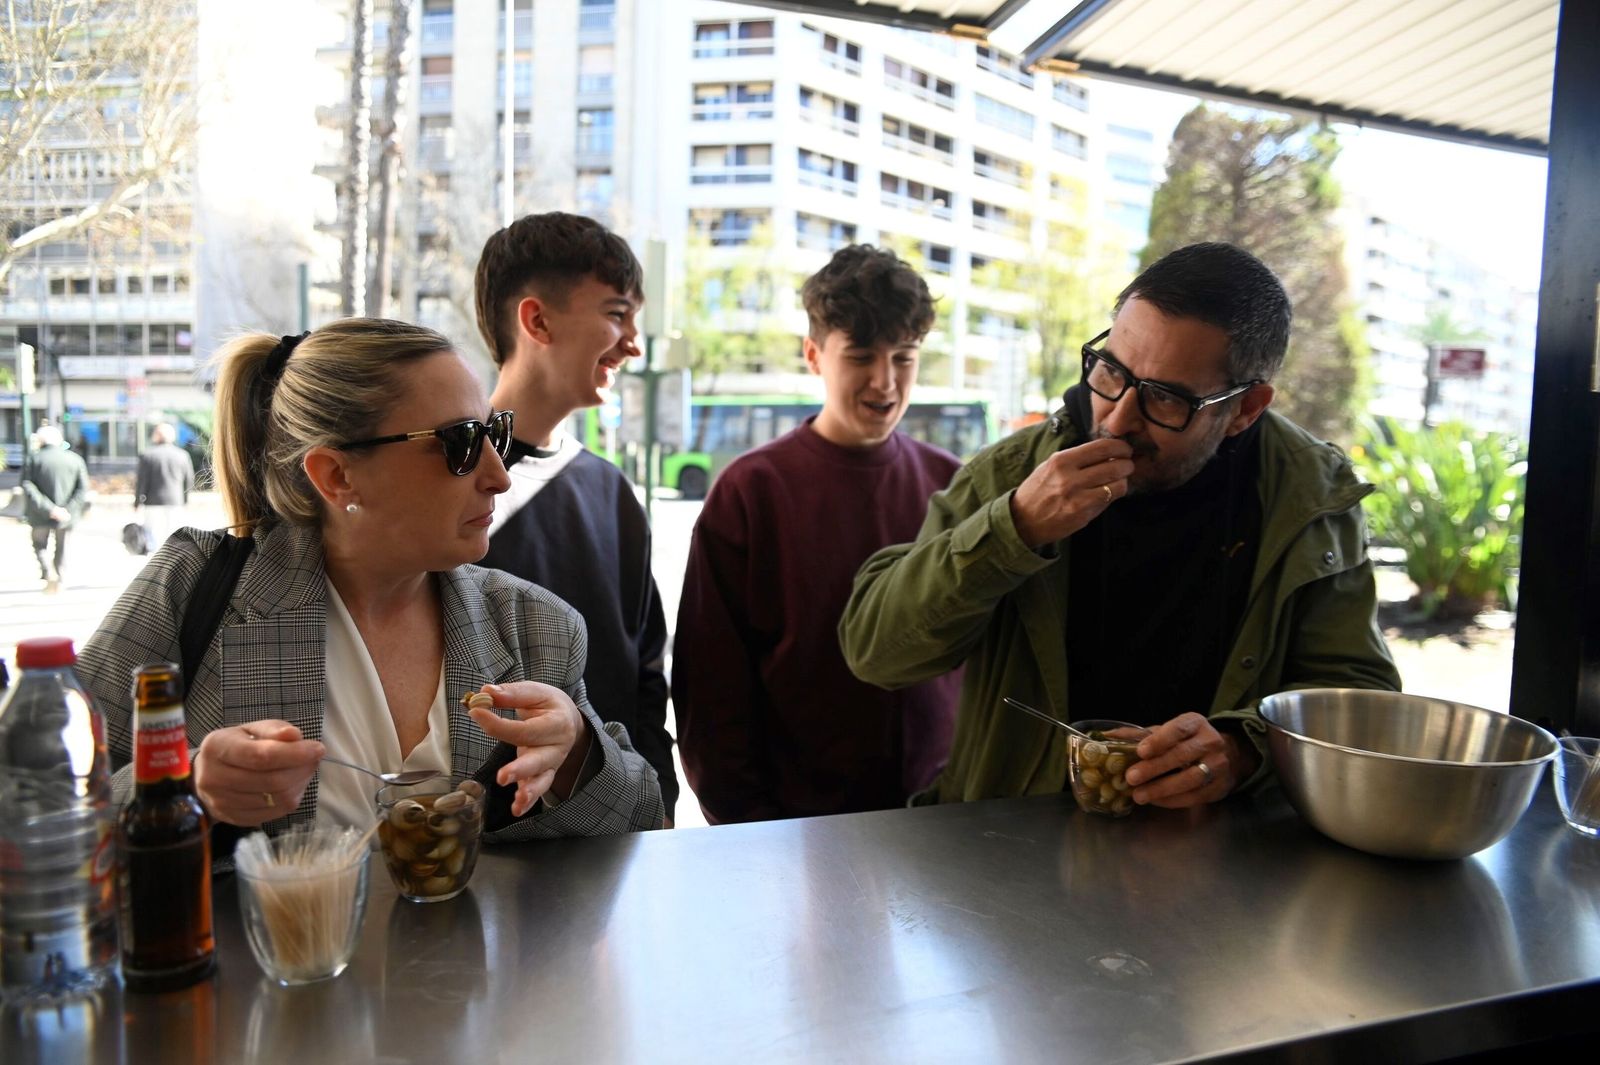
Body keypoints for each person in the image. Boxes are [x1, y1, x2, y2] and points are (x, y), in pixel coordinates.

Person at [840, 242, 1401, 809]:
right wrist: (1014, 529)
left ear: (1246, 407)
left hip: (1222, 858)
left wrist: (1245, 749)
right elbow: (876, 653)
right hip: (1011, 846)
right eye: (1111, 370)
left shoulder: (1309, 495)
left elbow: (1359, 696)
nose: (1117, 416)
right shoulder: (1015, 474)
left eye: (1165, 398)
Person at [78, 318, 663, 841]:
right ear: (336, 476)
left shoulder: (532, 627)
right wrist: (185, 790)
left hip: (476, 966)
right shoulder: (195, 589)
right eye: (460, 443)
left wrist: (576, 754)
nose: (497, 475)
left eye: (496, 433)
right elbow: (39, 802)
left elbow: (641, 819)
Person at [673, 244, 961, 824]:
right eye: (861, 356)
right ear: (814, 355)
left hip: (944, 820)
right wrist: (748, 829)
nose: (885, 382)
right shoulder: (750, 490)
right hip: (796, 829)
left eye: (904, 358)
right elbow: (711, 692)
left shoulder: (951, 484)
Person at [472, 212, 679, 824]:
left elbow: (645, 675)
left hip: (613, 827)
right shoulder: (449, 484)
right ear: (536, 320)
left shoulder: (610, 490)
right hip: (489, 840)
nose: (634, 342)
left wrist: (658, 801)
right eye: (616, 314)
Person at [20, 423, 89, 594]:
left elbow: (27, 485)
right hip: (67, 515)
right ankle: (60, 576)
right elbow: (82, 489)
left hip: (39, 513)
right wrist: (66, 509)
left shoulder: (33, 459)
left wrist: (48, 508)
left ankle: (47, 570)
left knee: (39, 544)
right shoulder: (75, 459)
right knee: (63, 546)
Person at [134, 421, 196, 548]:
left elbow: (141, 481)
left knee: (152, 533)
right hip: (175, 500)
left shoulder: (147, 455)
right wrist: (185, 500)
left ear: (156, 435)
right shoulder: (182, 455)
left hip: (152, 500)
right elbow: (189, 480)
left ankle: (154, 559)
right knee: (173, 532)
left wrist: (137, 501)